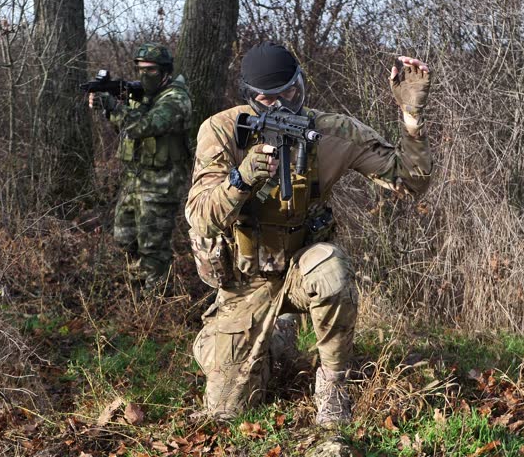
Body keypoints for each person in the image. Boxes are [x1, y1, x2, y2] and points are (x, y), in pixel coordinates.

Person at [185, 41, 433, 426]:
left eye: (290, 93)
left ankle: (332, 387)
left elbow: (409, 181)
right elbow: (201, 218)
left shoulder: (332, 131)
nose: (282, 105)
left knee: (331, 267)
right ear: (250, 98)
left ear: (301, 84)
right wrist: (243, 177)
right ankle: (273, 338)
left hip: (303, 269)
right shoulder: (222, 130)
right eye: (269, 99)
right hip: (245, 284)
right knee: (226, 411)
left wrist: (412, 115)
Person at [90, 43, 193, 290]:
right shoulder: (142, 96)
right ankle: (137, 296)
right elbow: (125, 129)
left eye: (151, 70)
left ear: (165, 71)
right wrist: (109, 109)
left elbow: (142, 127)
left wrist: (113, 106)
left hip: (161, 184)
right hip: (134, 181)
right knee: (124, 240)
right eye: (141, 69)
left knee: (153, 249)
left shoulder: (176, 99)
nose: (145, 75)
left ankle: (157, 302)